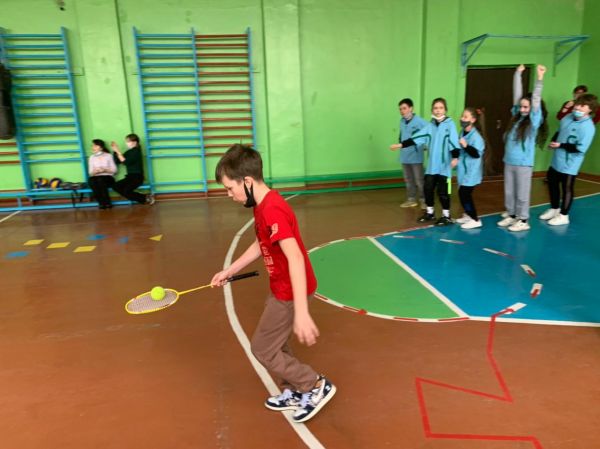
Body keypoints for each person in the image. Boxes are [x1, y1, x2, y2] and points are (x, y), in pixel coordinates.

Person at [210, 144, 336, 423]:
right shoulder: (262, 205)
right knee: (277, 343)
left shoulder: (273, 210)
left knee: (262, 349)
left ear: (247, 181)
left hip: (290, 291)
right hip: (281, 286)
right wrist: (230, 269)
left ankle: (314, 384)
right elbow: (261, 243)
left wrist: (301, 312)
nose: (229, 195)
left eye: (230, 188)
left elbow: (295, 258)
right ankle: (295, 390)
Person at [497, 64, 548, 232]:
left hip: (523, 164)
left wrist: (539, 79)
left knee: (522, 193)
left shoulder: (533, 122)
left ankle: (523, 219)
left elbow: (536, 100)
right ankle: (512, 215)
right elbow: (517, 96)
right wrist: (517, 75)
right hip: (509, 161)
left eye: (526, 107)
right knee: (509, 192)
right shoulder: (516, 118)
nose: (522, 109)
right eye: (521, 106)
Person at [393, 98, 460, 226]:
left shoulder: (450, 124)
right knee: (427, 188)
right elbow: (416, 138)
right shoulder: (430, 126)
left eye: (441, 108)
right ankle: (430, 213)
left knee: (444, 191)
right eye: (435, 108)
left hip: (444, 166)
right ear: (432, 110)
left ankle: (447, 216)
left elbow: (453, 142)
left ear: (445, 110)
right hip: (432, 166)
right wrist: (400, 145)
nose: (438, 110)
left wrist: (455, 157)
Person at [539, 93, 598, 225]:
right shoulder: (567, 117)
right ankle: (554, 208)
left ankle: (564, 215)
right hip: (557, 159)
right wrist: (553, 141)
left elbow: (580, 148)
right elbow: (560, 131)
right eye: (577, 104)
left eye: (582, 106)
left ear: (590, 109)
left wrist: (561, 145)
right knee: (552, 182)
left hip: (571, 163)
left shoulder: (588, 127)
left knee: (567, 188)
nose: (578, 108)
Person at [389, 98, 428, 209]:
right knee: (408, 179)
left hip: (416, 155)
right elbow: (402, 135)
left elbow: (429, 133)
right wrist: (399, 144)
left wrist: (425, 145)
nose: (402, 111)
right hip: (404, 155)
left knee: (419, 180)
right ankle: (411, 199)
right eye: (400, 109)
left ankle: (424, 200)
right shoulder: (402, 121)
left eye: (404, 108)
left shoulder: (420, 121)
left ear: (411, 108)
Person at [455, 108, 486, 229]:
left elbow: (476, 154)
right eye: (462, 116)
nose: (462, 119)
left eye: (465, 117)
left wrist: (466, 145)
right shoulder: (462, 132)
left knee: (464, 194)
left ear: (472, 120)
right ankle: (468, 214)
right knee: (462, 193)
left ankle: (475, 219)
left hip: (472, 171)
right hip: (463, 170)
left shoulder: (477, 137)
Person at [111, 133, 155, 205]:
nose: (126, 143)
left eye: (128, 141)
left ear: (135, 142)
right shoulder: (129, 152)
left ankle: (145, 198)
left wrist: (118, 151)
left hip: (137, 177)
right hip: (130, 177)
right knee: (115, 186)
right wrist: (115, 151)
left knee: (127, 192)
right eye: (126, 141)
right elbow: (118, 161)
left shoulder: (136, 151)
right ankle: (144, 197)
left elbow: (125, 162)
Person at [87, 139, 117, 209]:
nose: (93, 147)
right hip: (96, 177)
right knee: (91, 180)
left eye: (95, 145)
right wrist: (96, 171)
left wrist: (105, 169)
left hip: (108, 178)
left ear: (101, 147)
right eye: (93, 145)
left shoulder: (108, 156)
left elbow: (114, 170)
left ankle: (107, 202)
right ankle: (101, 202)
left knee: (100, 180)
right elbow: (90, 172)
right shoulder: (91, 157)